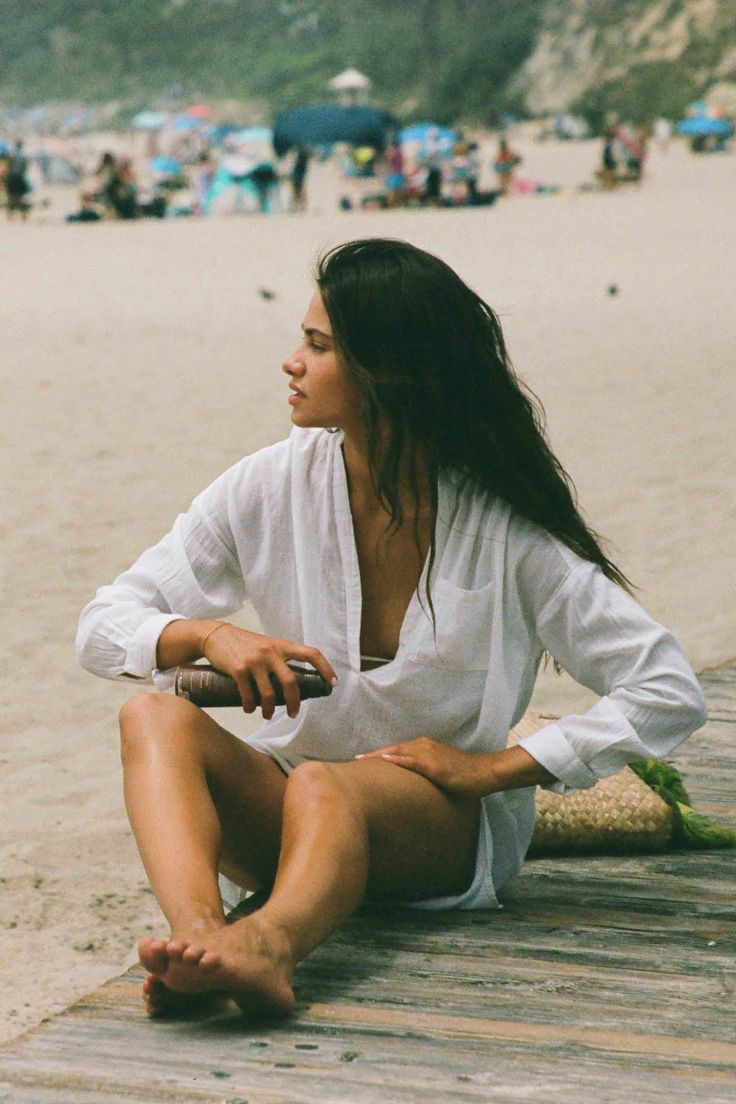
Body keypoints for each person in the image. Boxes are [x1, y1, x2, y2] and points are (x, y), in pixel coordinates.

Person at [76, 238, 706, 1021]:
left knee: (322, 782)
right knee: (153, 716)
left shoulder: (506, 530)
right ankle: (203, 937)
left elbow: (666, 689)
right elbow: (102, 625)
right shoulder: (270, 484)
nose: (291, 364)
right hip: (295, 807)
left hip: (437, 832)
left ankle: (269, 945)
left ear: (388, 371)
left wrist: (497, 769)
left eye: (318, 345)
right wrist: (207, 636)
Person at [5, 140, 31, 220]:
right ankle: (24, 215)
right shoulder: (24, 157)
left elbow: (8, 167)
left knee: (11, 197)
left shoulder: (11, 156)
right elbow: (25, 168)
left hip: (12, 178)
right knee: (20, 198)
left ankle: (10, 216)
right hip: (20, 178)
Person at [289, 146, 310, 212]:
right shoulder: (303, 160)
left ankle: (298, 207)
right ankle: (299, 207)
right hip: (298, 177)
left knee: (297, 192)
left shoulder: (301, 160)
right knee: (299, 192)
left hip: (297, 177)